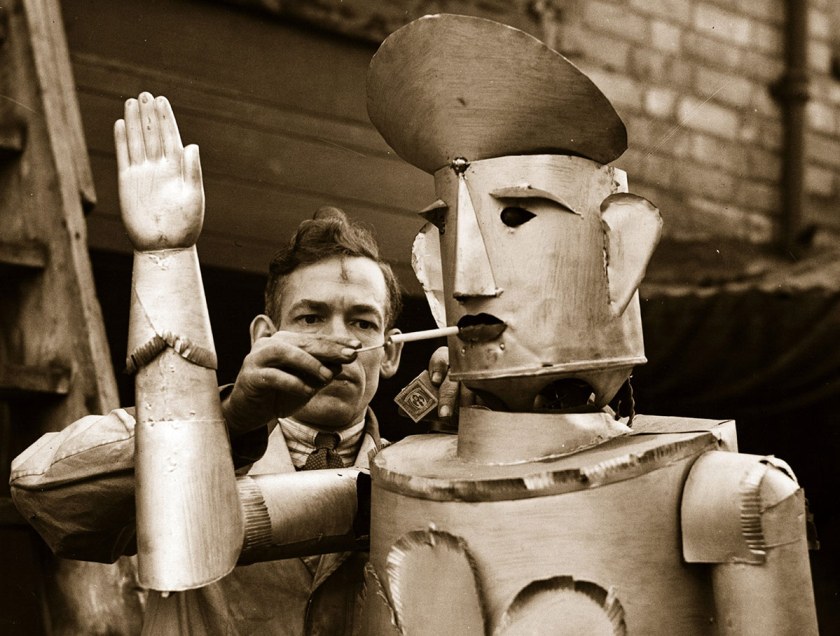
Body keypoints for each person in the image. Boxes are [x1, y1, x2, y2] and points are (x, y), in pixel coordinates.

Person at [10, 93, 404, 635]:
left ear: (393, 351)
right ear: (264, 336)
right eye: (310, 318)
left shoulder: (413, 476)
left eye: (362, 322)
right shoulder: (194, 422)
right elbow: (40, 490)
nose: (337, 342)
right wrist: (227, 421)